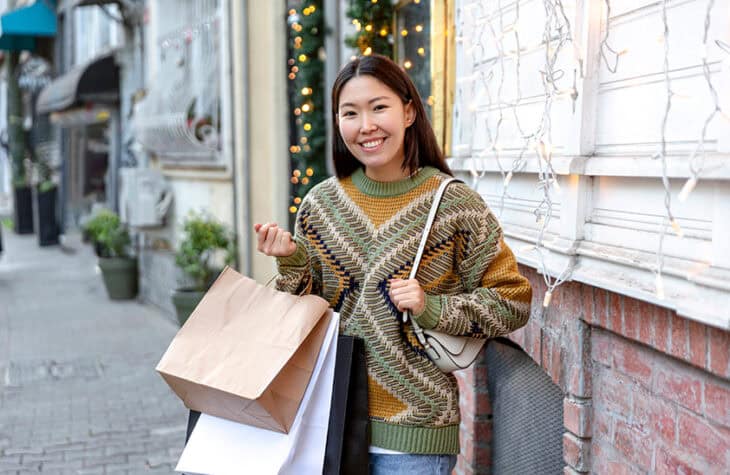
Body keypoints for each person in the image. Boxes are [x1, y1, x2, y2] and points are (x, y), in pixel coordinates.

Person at [255, 54, 532, 475]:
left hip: (415, 437)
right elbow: (298, 321)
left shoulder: (455, 205)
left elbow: (513, 302)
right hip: (326, 423)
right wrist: (292, 263)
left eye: (378, 107)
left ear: (408, 111)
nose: (365, 125)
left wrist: (432, 307)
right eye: (350, 113)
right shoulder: (320, 206)